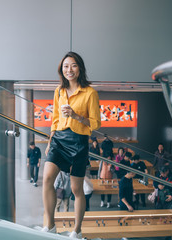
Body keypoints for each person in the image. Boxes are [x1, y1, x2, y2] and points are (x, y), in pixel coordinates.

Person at [42, 52, 101, 239]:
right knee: (47, 179)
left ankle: (77, 229)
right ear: (62, 69)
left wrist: (75, 115)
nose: (69, 70)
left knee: (77, 190)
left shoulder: (90, 92)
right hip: (59, 139)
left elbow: (96, 123)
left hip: (78, 142)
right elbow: (55, 119)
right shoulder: (59, 91)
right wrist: (50, 140)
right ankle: (50, 225)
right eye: (66, 66)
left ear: (80, 68)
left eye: (73, 65)